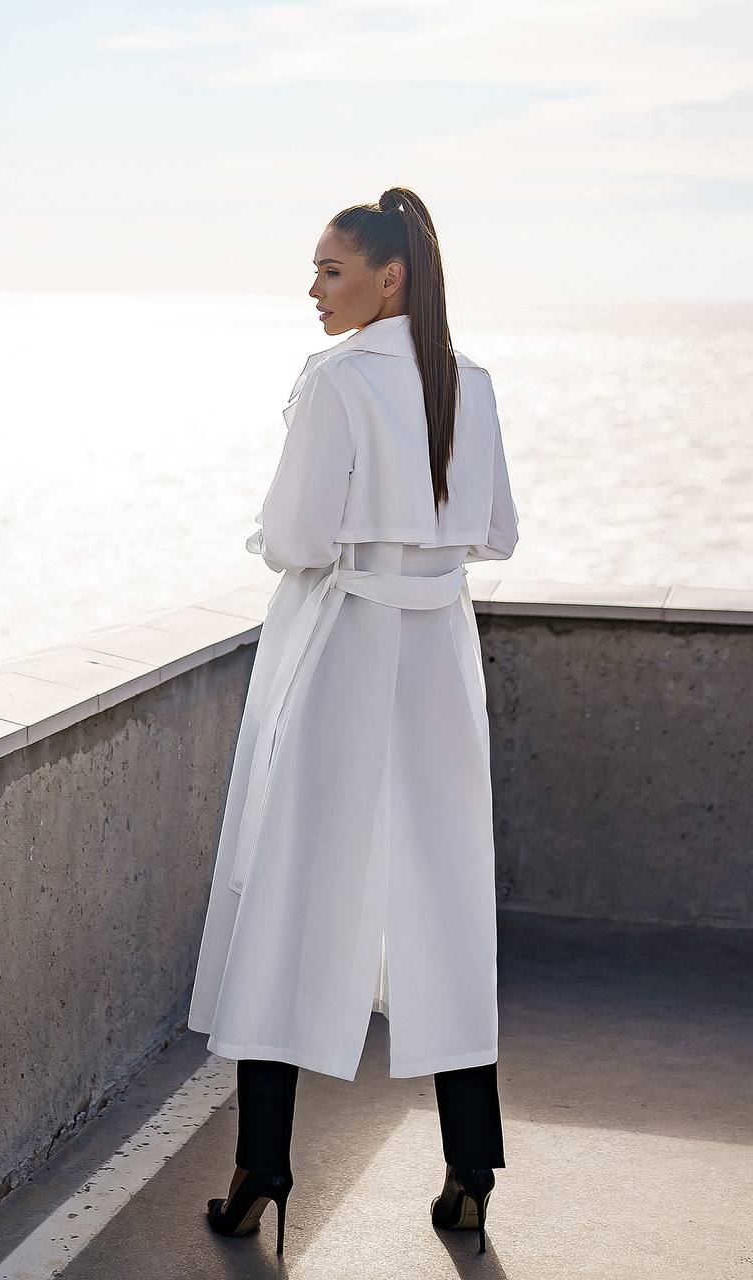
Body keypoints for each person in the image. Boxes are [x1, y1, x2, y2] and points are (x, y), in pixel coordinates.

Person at [187, 186, 519, 1257]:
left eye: (332, 270)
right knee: (445, 897)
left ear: (391, 278)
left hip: (344, 652)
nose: (315, 289)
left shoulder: (333, 382)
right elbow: (497, 531)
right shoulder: (471, 382)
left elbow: (295, 536)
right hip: (437, 653)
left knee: (293, 889)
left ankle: (260, 1168)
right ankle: (471, 1165)